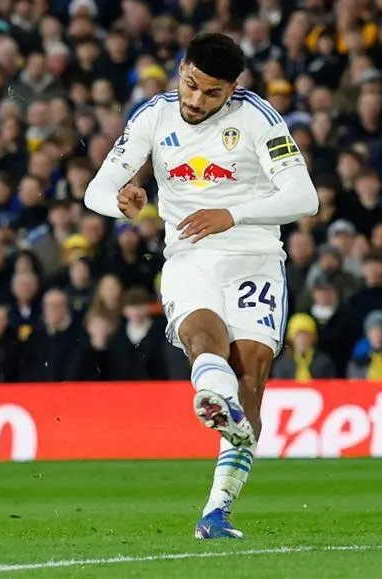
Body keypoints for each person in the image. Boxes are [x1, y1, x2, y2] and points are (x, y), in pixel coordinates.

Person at [84, 33, 319, 539]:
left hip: (255, 260)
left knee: (250, 378)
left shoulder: (257, 118)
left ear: (232, 89)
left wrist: (232, 214)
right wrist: (121, 203)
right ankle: (214, 396)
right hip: (189, 255)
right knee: (202, 336)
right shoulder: (154, 116)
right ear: (181, 69)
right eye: (191, 85)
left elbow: (305, 198)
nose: (196, 100)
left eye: (212, 93)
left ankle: (216, 510)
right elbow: (96, 190)